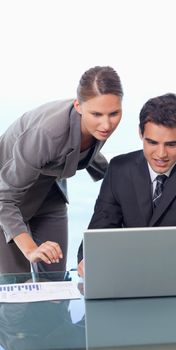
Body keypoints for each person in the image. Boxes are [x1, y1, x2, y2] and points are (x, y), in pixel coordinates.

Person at [77, 93, 176, 276]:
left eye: (171, 144)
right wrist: (89, 258)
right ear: (141, 134)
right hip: (131, 279)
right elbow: (98, 232)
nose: (160, 154)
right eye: (152, 142)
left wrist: (152, 256)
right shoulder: (119, 169)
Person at [0, 65, 123, 273]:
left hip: (49, 194)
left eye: (114, 113)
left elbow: (79, 151)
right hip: (7, 200)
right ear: (78, 106)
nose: (106, 124)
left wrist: (119, 176)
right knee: (18, 289)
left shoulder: (97, 125)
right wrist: (31, 250)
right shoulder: (46, 134)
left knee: (56, 283)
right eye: (97, 114)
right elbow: (4, 198)